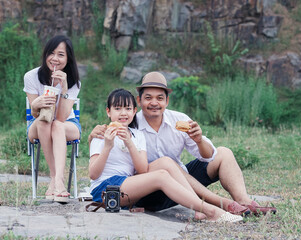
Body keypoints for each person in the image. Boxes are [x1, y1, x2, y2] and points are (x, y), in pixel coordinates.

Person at [89, 72, 276, 216]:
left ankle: (244, 203)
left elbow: (208, 155)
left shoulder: (179, 120)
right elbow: (110, 133)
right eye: (148, 98)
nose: (154, 103)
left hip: (181, 181)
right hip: (150, 189)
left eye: (160, 98)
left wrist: (199, 139)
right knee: (165, 164)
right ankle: (219, 205)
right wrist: (94, 135)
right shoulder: (131, 122)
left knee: (224, 153)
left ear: (167, 101)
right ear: (139, 101)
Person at [89, 88, 243, 223]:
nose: (123, 113)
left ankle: (200, 208)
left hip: (129, 186)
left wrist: (129, 143)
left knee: (166, 163)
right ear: (108, 112)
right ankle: (212, 211)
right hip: (106, 190)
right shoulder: (102, 134)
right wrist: (108, 146)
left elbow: (142, 170)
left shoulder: (137, 135)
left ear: (135, 111)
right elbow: (93, 174)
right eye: (117, 108)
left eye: (128, 108)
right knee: (161, 176)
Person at [24, 35, 81, 203]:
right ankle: (56, 178)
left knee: (56, 124)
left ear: (68, 58)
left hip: (66, 125)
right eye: (51, 53)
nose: (55, 58)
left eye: (61, 54)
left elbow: (62, 118)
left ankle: (56, 182)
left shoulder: (74, 82)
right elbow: (35, 114)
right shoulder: (31, 76)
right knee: (44, 121)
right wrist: (36, 105)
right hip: (38, 123)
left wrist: (63, 88)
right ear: (45, 55)